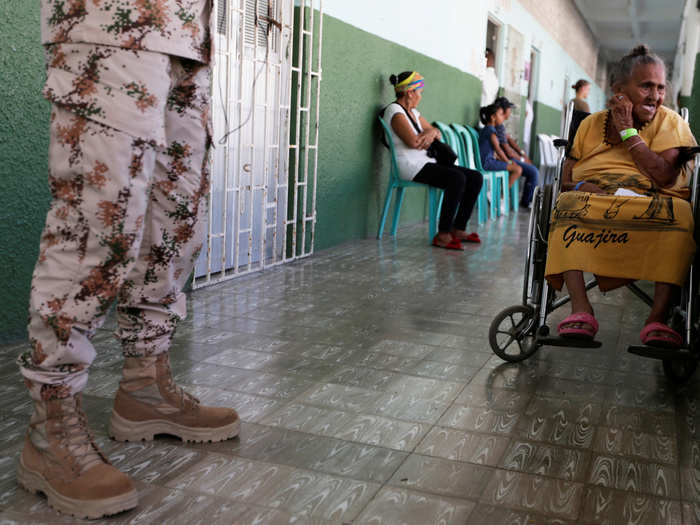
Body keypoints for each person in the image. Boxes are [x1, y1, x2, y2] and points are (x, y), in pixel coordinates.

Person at [17, 2, 240, 519]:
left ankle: (145, 385)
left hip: (189, 37)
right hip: (111, 23)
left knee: (175, 223)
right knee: (98, 222)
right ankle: (50, 429)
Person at [545, 45, 698, 347]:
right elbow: (567, 174)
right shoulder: (591, 124)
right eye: (645, 86)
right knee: (566, 204)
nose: (655, 95)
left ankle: (656, 318)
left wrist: (629, 132)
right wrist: (578, 187)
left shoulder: (672, 124)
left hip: (651, 201)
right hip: (595, 199)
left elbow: (666, 175)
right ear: (618, 90)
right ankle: (580, 310)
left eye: (660, 87)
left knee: (680, 213)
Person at [385, 71, 483, 250]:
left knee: (475, 177)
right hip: (410, 166)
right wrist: (429, 134)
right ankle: (443, 234)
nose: (420, 96)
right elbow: (414, 142)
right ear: (410, 92)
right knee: (456, 178)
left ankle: (458, 227)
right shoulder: (395, 112)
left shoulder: (413, 113)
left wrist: (430, 133)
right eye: (419, 92)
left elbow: (433, 130)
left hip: (426, 163)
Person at [494, 97, 539, 208]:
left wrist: (522, 154)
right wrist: (523, 159)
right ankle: (526, 202)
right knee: (533, 172)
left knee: (532, 169)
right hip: (503, 159)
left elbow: (508, 139)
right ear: (503, 111)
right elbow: (508, 152)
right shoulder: (497, 126)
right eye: (509, 109)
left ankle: (526, 200)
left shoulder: (500, 125)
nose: (510, 111)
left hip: (506, 158)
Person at [478, 104, 523, 188]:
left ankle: (496, 191)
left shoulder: (487, 129)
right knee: (517, 169)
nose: (503, 117)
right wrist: (508, 161)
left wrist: (501, 159)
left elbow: (492, 152)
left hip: (485, 161)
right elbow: (498, 150)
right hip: (487, 164)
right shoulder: (491, 132)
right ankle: (502, 195)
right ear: (493, 117)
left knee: (514, 167)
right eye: (501, 114)